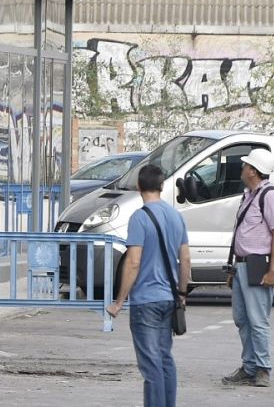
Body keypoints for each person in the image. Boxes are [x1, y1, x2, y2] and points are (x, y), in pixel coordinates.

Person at [108, 164, 191, 407]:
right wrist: (182, 294)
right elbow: (185, 260)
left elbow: (133, 262)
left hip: (146, 301)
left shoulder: (139, 218)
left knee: (151, 364)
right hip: (169, 299)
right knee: (165, 358)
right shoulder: (177, 216)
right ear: (162, 185)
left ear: (138, 187)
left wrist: (119, 301)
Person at [222, 148, 274, 388]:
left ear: (252, 170)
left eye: (245, 165)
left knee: (258, 320)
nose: (242, 169)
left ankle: (262, 368)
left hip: (258, 265)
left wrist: (273, 271)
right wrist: (232, 269)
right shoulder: (248, 195)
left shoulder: (269, 196)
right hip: (241, 265)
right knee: (241, 318)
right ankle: (249, 367)